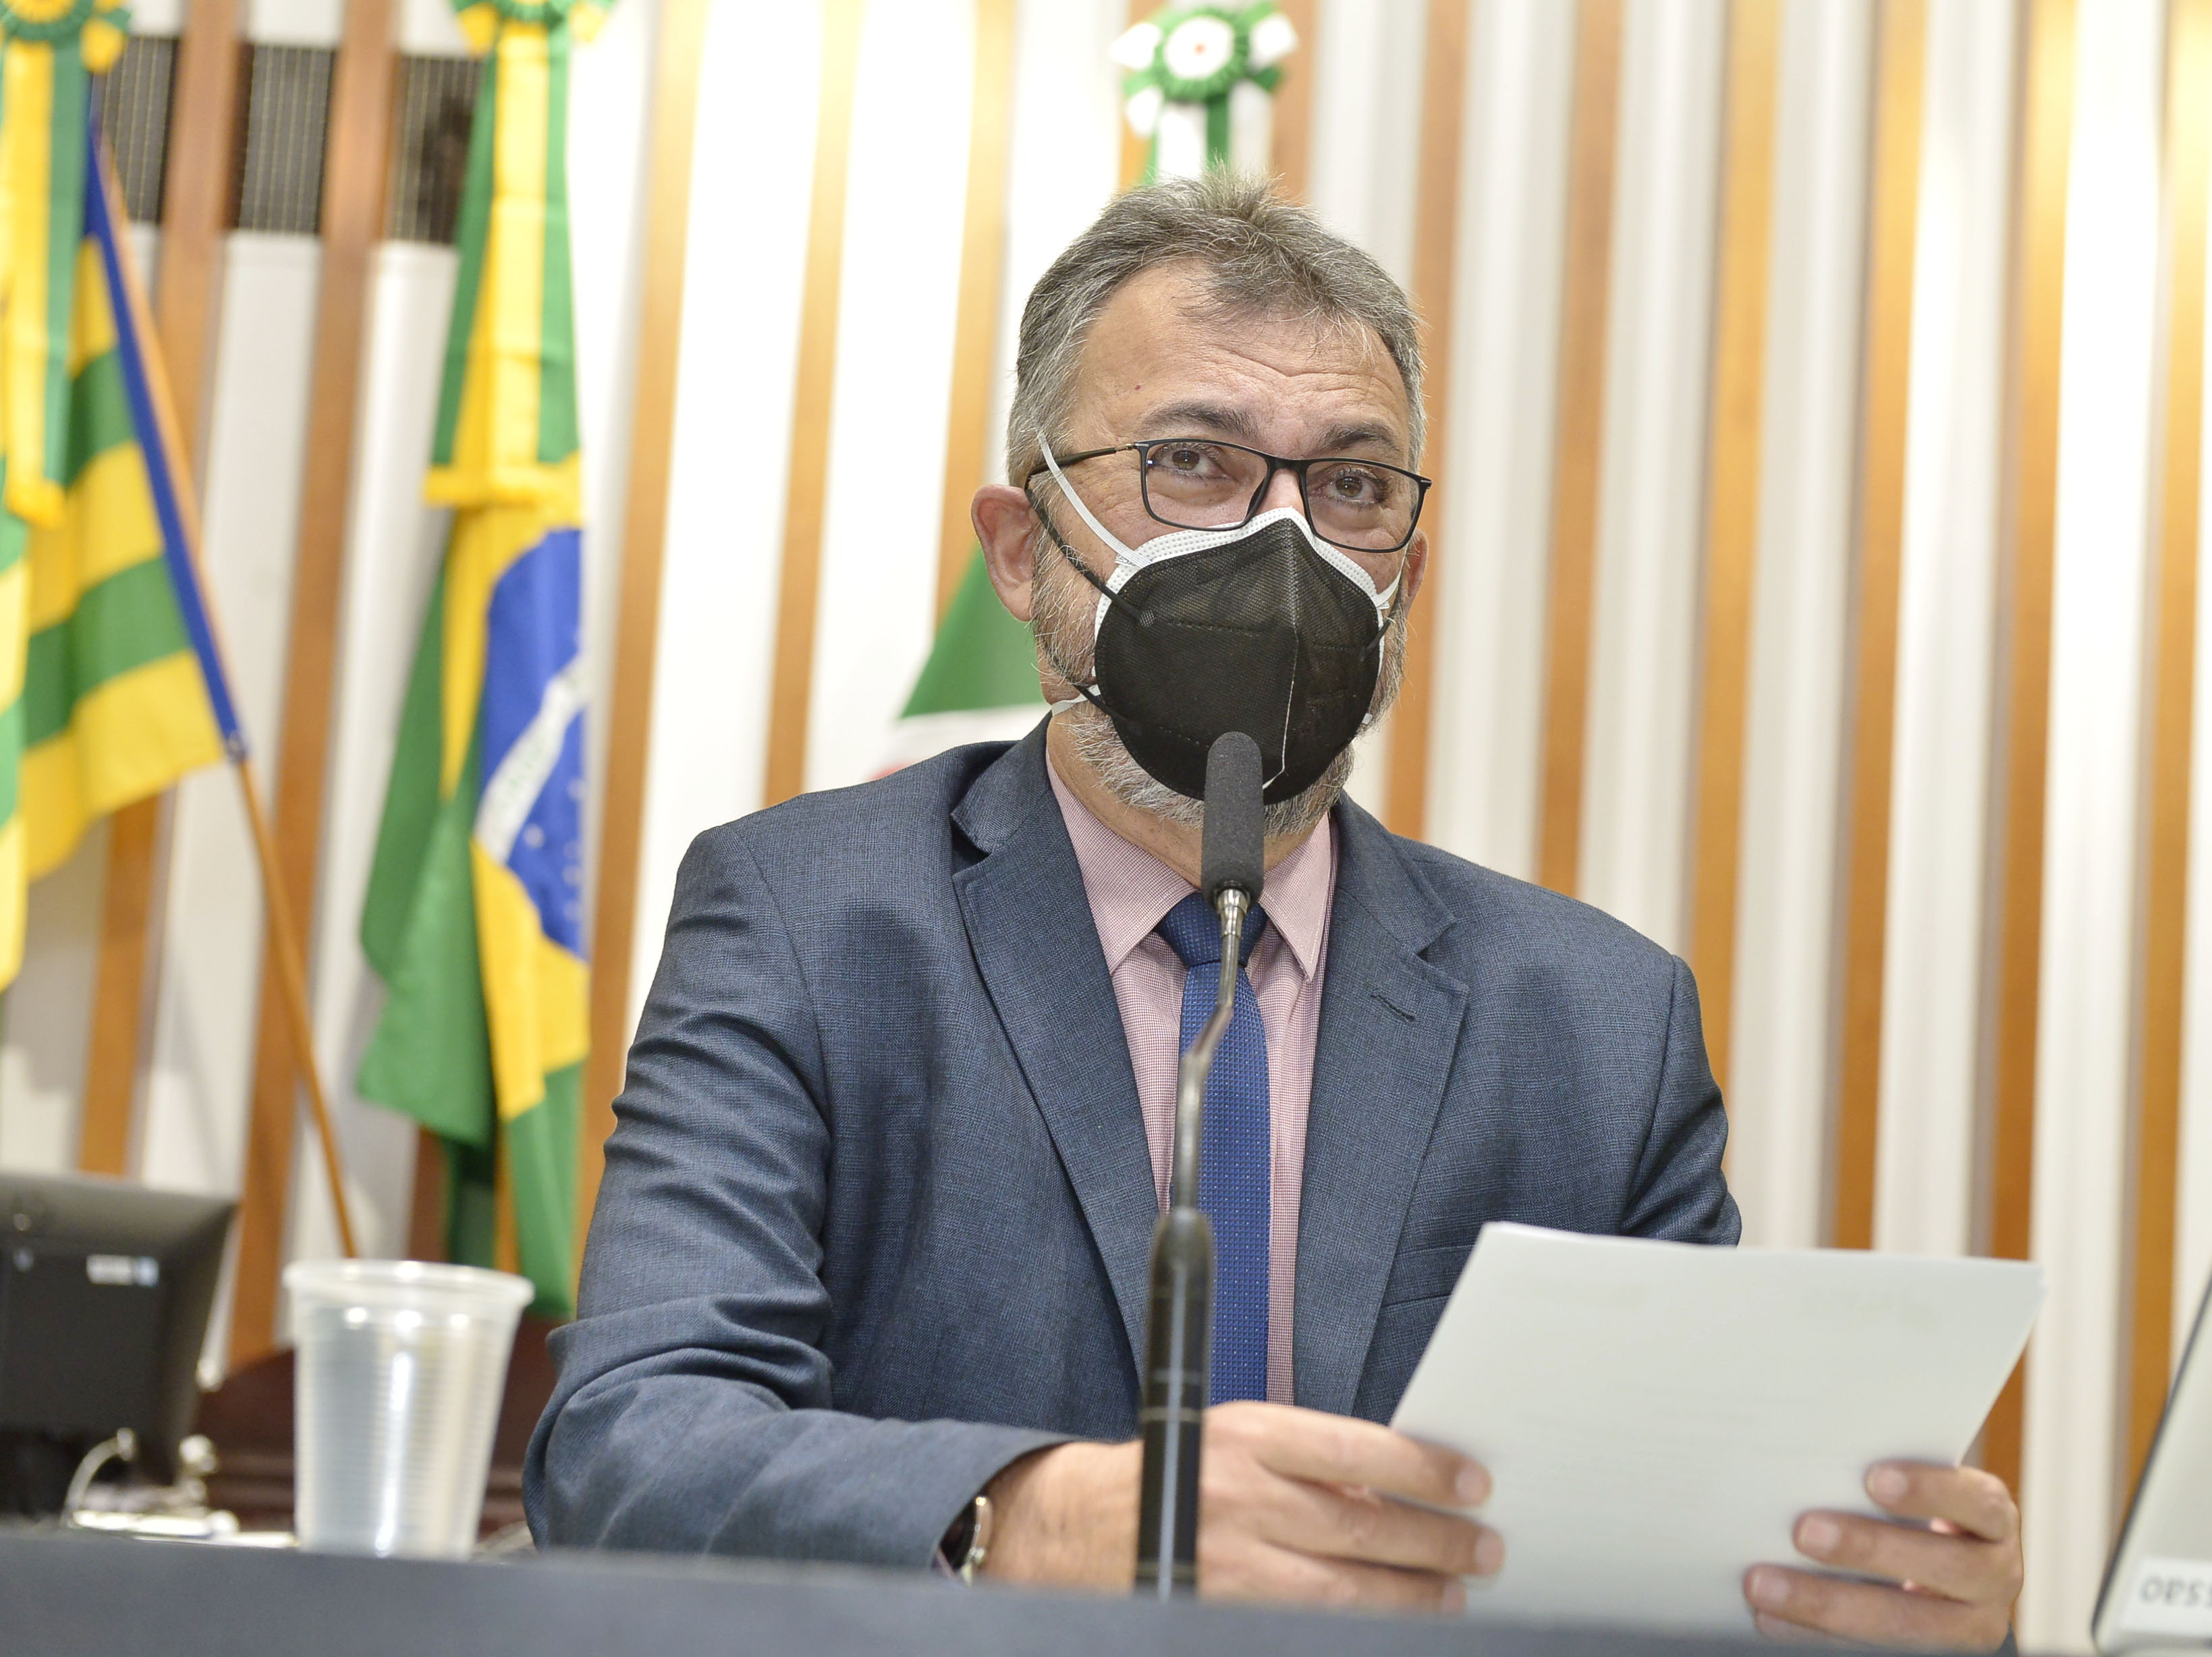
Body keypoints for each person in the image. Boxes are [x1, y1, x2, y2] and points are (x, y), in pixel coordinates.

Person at [525, 174, 2022, 1650]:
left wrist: (1886, 1610)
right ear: (1024, 547)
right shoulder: (812, 919)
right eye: (1193, 463)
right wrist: (1030, 1519)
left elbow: (1691, 1539)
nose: (1283, 544)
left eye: (1351, 487)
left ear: (1406, 575)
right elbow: (629, 1449)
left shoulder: (1596, 1022)